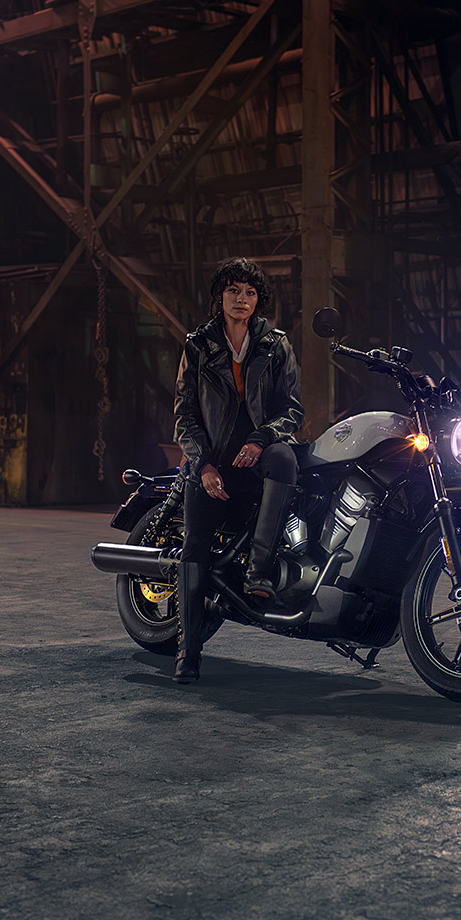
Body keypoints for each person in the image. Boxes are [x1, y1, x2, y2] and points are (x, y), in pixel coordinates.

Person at [172, 258, 304, 683]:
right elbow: (185, 414)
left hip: (256, 456)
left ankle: (257, 572)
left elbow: (291, 410)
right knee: (194, 547)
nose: (241, 299)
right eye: (233, 291)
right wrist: (203, 465)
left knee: (285, 459)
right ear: (220, 296)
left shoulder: (276, 345)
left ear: (258, 299)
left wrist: (260, 440)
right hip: (212, 463)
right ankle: (188, 652)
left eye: (249, 292)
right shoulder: (199, 345)